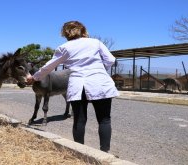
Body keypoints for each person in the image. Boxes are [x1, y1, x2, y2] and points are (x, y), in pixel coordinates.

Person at [26, 21, 119, 152]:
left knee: (79, 120)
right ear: (83, 30)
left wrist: (34, 77)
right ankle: (104, 153)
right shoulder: (96, 42)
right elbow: (110, 60)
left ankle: (79, 152)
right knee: (104, 120)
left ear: (65, 33)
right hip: (99, 81)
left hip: (78, 84)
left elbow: (48, 67)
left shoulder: (64, 47)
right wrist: (98, 70)